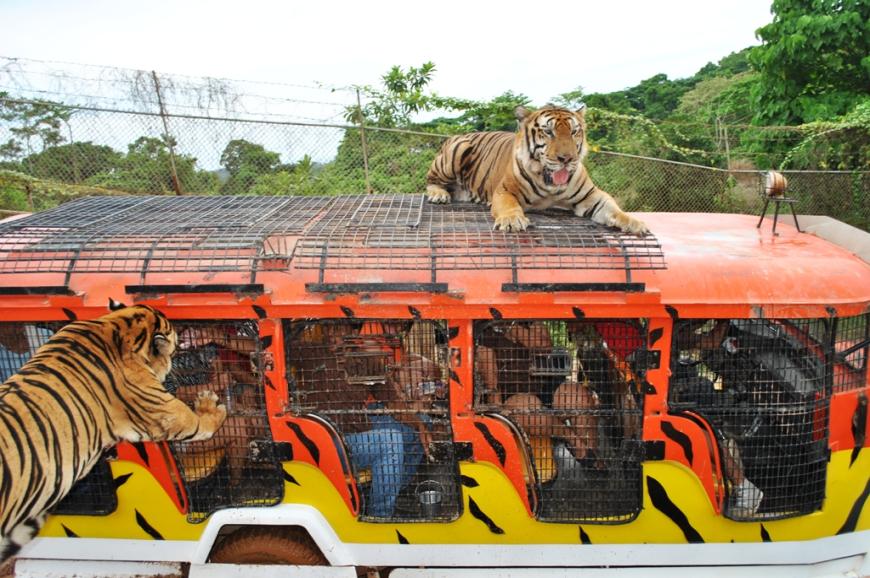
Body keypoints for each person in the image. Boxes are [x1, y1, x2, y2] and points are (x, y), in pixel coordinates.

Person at [289, 320, 446, 518]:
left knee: (415, 430)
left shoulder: (367, 360)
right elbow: (272, 348)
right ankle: (380, 516)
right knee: (390, 440)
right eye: (328, 328)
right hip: (326, 443)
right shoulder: (312, 352)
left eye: (338, 328)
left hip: (355, 439)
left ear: (352, 330)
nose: (331, 333)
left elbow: (394, 404)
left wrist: (420, 425)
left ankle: (391, 491)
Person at [476, 322, 599, 463]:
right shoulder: (484, 336)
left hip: (542, 384)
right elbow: (494, 393)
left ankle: (592, 460)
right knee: (530, 408)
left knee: (580, 397)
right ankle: (575, 442)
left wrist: (514, 327)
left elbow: (544, 346)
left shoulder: (528, 319)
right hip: (510, 396)